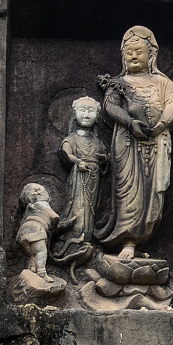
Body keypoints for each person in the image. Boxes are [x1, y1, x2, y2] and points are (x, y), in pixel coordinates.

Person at [99, 25, 173, 258]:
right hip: (127, 142)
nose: (134, 56)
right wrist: (129, 122)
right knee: (129, 190)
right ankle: (128, 241)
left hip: (156, 140)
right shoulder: (118, 83)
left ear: (151, 55)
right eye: (129, 53)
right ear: (123, 57)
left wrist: (162, 123)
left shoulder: (163, 83)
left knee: (153, 192)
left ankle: (141, 240)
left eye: (139, 52)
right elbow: (110, 106)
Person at [53, 96, 108, 264]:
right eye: (82, 110)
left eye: (91, 111)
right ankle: (72, 238)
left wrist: (104, 159)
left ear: (97, 116)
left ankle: (86, 239)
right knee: (76, 207)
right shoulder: (71, 139)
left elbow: (105, 157)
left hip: (93, 179)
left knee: (90, 210)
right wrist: (77, 161)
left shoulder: (97, 142)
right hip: (78, 179)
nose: (86, 115)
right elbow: (66, 152)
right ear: (74, 114)